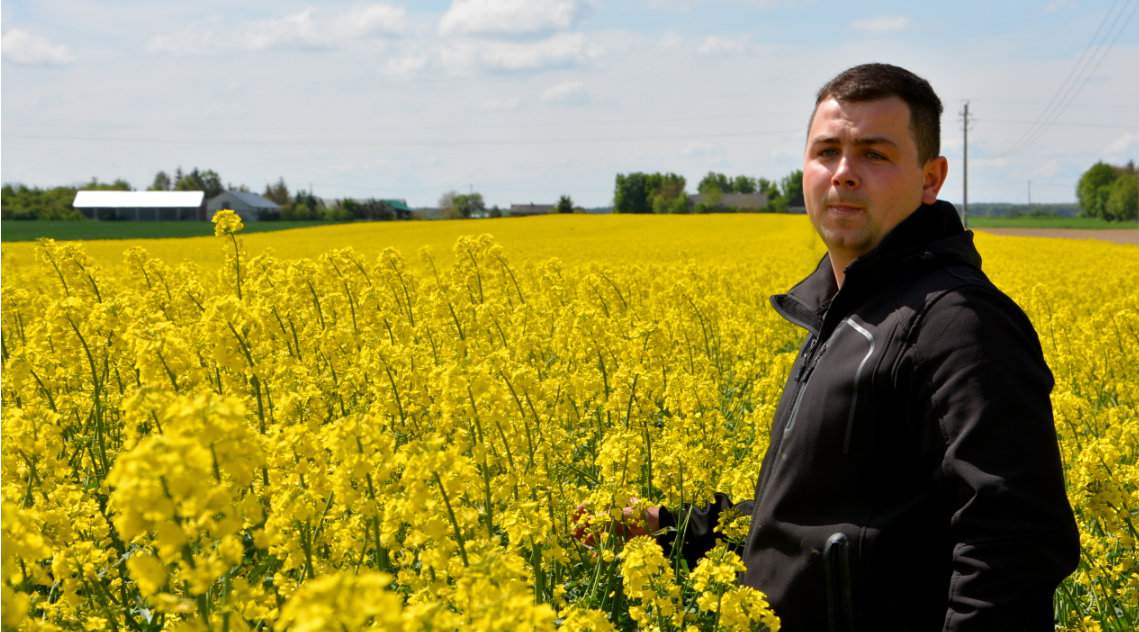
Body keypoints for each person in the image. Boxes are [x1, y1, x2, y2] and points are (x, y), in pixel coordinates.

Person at [582, 64, 1081, 631]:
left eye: (875, 154)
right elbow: (814, 519)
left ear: (930, 178)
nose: (844, 173)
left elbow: (1013, 548)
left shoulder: (959, 324)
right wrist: (670, 527)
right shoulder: (846, 314)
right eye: (827, 152)